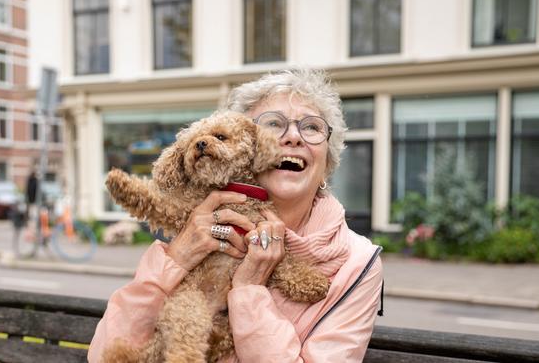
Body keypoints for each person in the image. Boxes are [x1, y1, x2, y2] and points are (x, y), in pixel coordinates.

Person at [88, 69, 384, 362]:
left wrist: (248, 291)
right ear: (249, 149)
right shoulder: (196, 222)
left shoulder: (357, 264)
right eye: (272, 124)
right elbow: (104, 356)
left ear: (327, 160)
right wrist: (178, 257)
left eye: (311, 128)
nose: (293, 136)